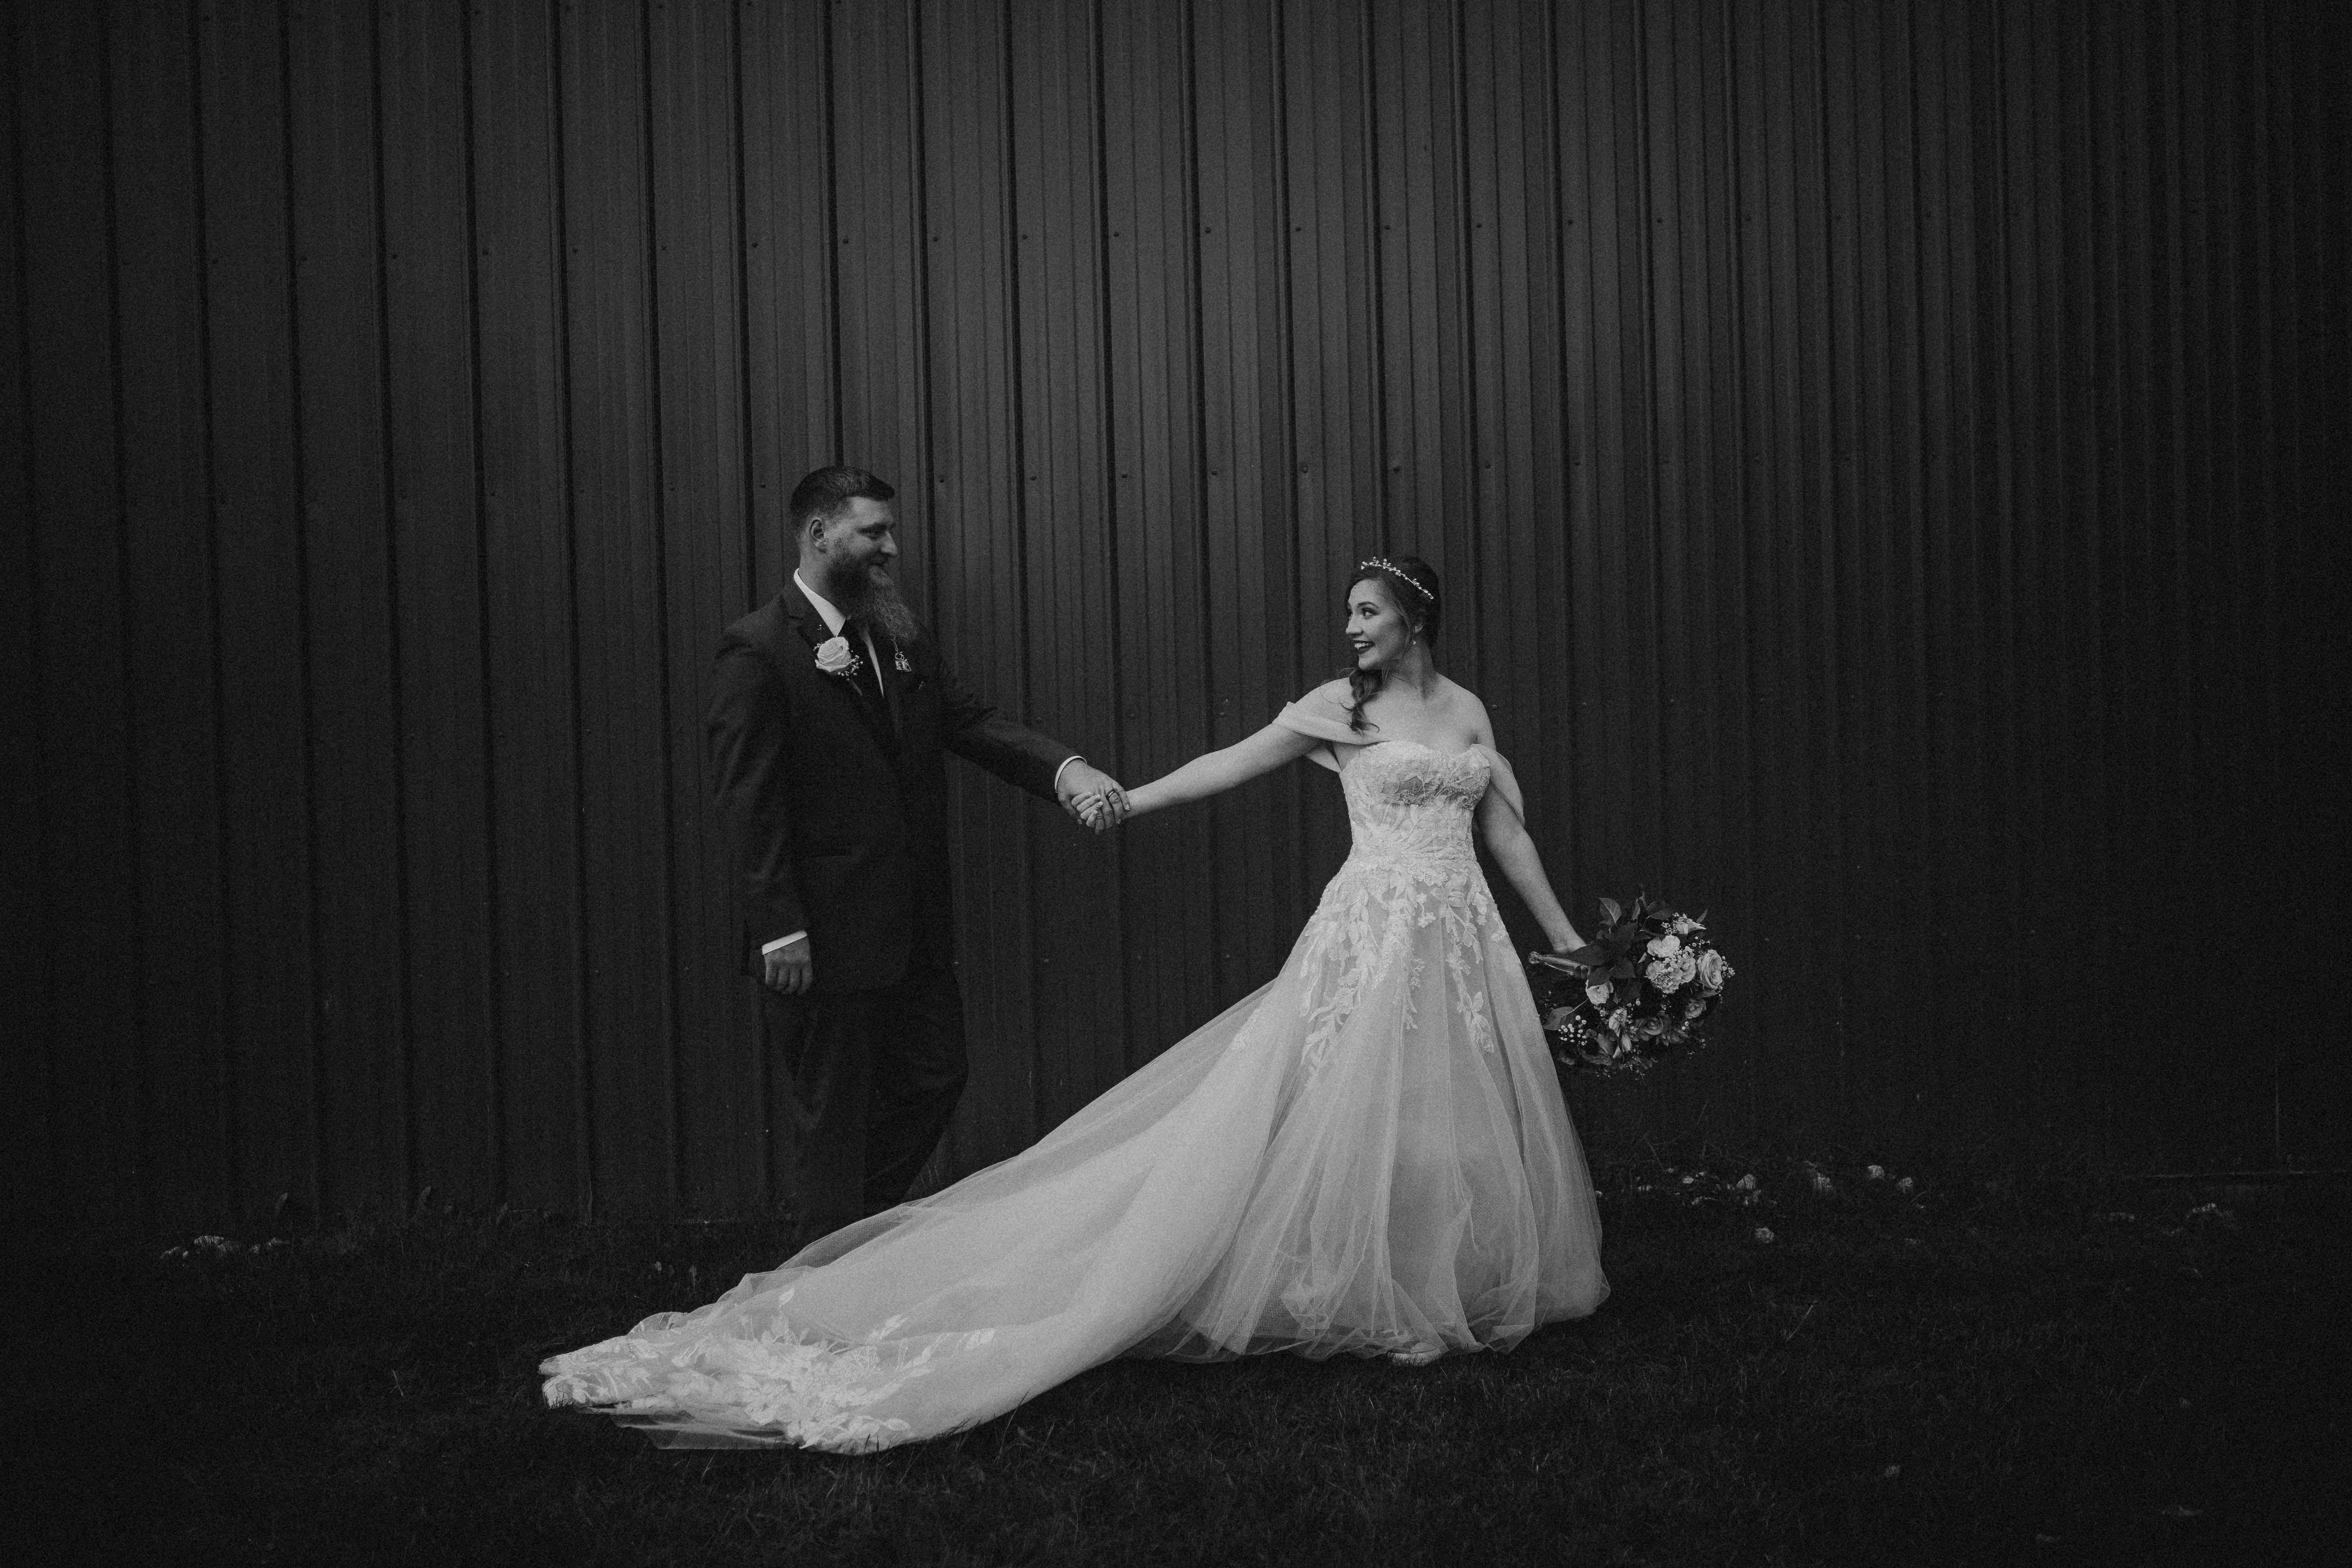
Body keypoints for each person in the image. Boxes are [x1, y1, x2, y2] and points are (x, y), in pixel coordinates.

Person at [545, 554, 1608, 1451]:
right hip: (1370, 935)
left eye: (1367, 612)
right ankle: (1354, 1287)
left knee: (1439, 1111)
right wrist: (1125, 799)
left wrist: (1572, 948)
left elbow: (1504, 833)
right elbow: (1228, 764)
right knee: (1339, 1109)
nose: (1352, 628)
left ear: (1415, 617)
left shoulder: (1466, 711)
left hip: (1458, 936)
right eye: (1349, 613)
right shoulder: (1341, 708)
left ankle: (1425, 1285)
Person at [704, 466, 1129, 1251]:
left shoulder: (897, 636)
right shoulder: (758, 650)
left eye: (891, 532)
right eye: (874, 532)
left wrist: (1065, 769)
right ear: (819, 533)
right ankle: (822, 1285)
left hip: (910, 931)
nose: (891, 548)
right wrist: (779, 929)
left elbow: (968, 721)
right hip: (820, 939)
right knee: (834, 1119)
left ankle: (840, 1241)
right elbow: (749, 804)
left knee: (936, 1075)